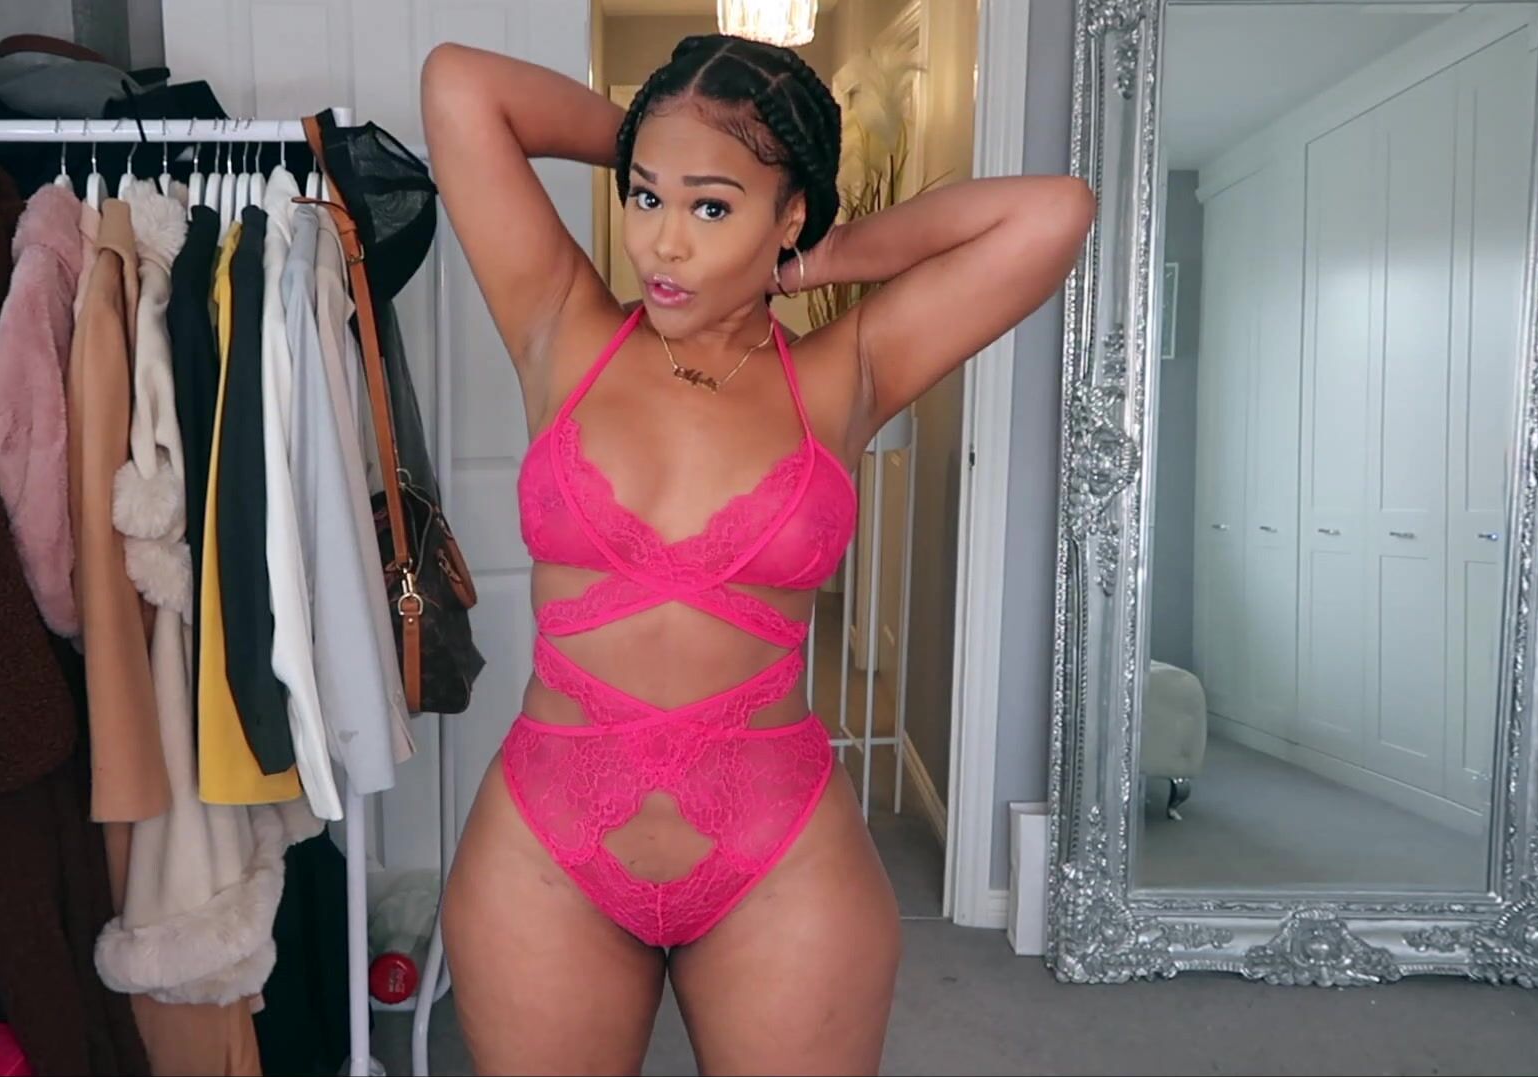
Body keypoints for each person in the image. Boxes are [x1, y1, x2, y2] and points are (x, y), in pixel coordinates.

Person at [421, 33, 1093, 1075]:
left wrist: (823, 255)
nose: (662, 244)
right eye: (647, 195)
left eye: (713, 208)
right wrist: (674, 136)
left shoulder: (847, 371)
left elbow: (1055, 211)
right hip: (548, 843)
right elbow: (459, 84)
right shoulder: (559, 323)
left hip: (776, 852)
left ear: (788, 213)